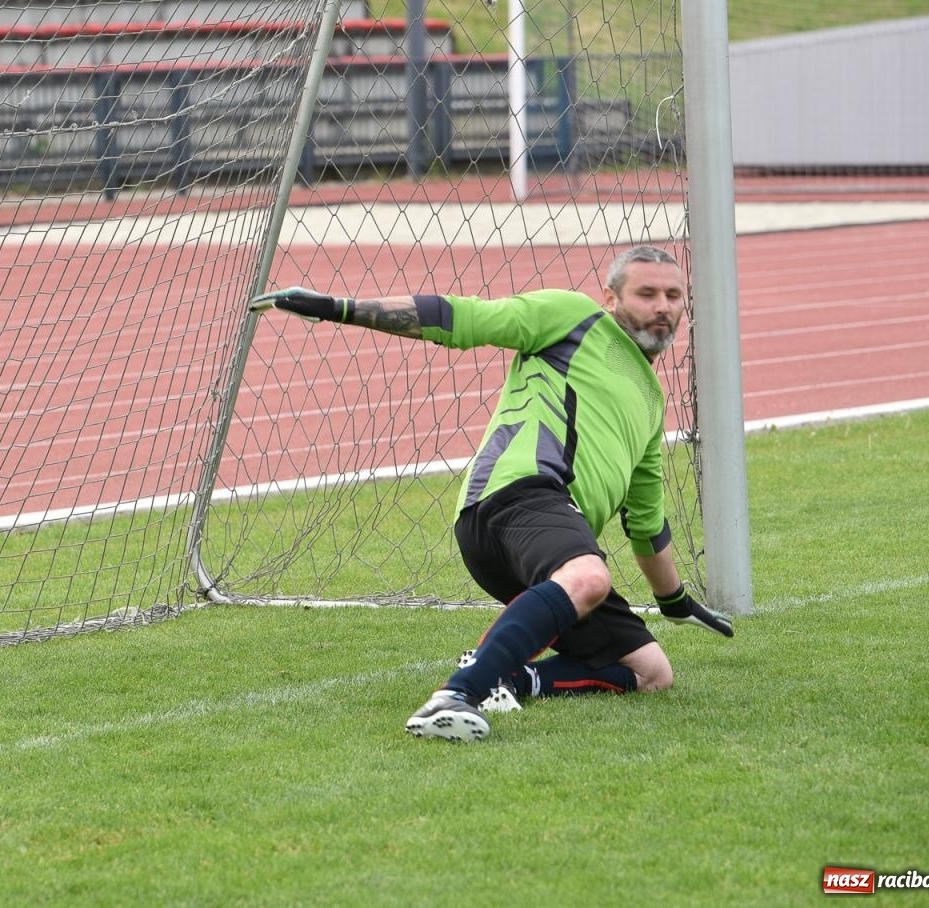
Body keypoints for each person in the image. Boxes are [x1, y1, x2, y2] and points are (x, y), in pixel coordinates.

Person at [248, 244, 734, 742]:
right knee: (590, 576)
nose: (662, 306)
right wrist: (338, 309)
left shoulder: (652, 401)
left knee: (651, 672)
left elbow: (646, 520)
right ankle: (457, 695)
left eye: (674, 295)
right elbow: (464, 319)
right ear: (609, 298)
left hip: (545, 542)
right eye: (647, 292)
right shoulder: (575, 317)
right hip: (517, 496)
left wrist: (673, 600)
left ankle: (511, 677)